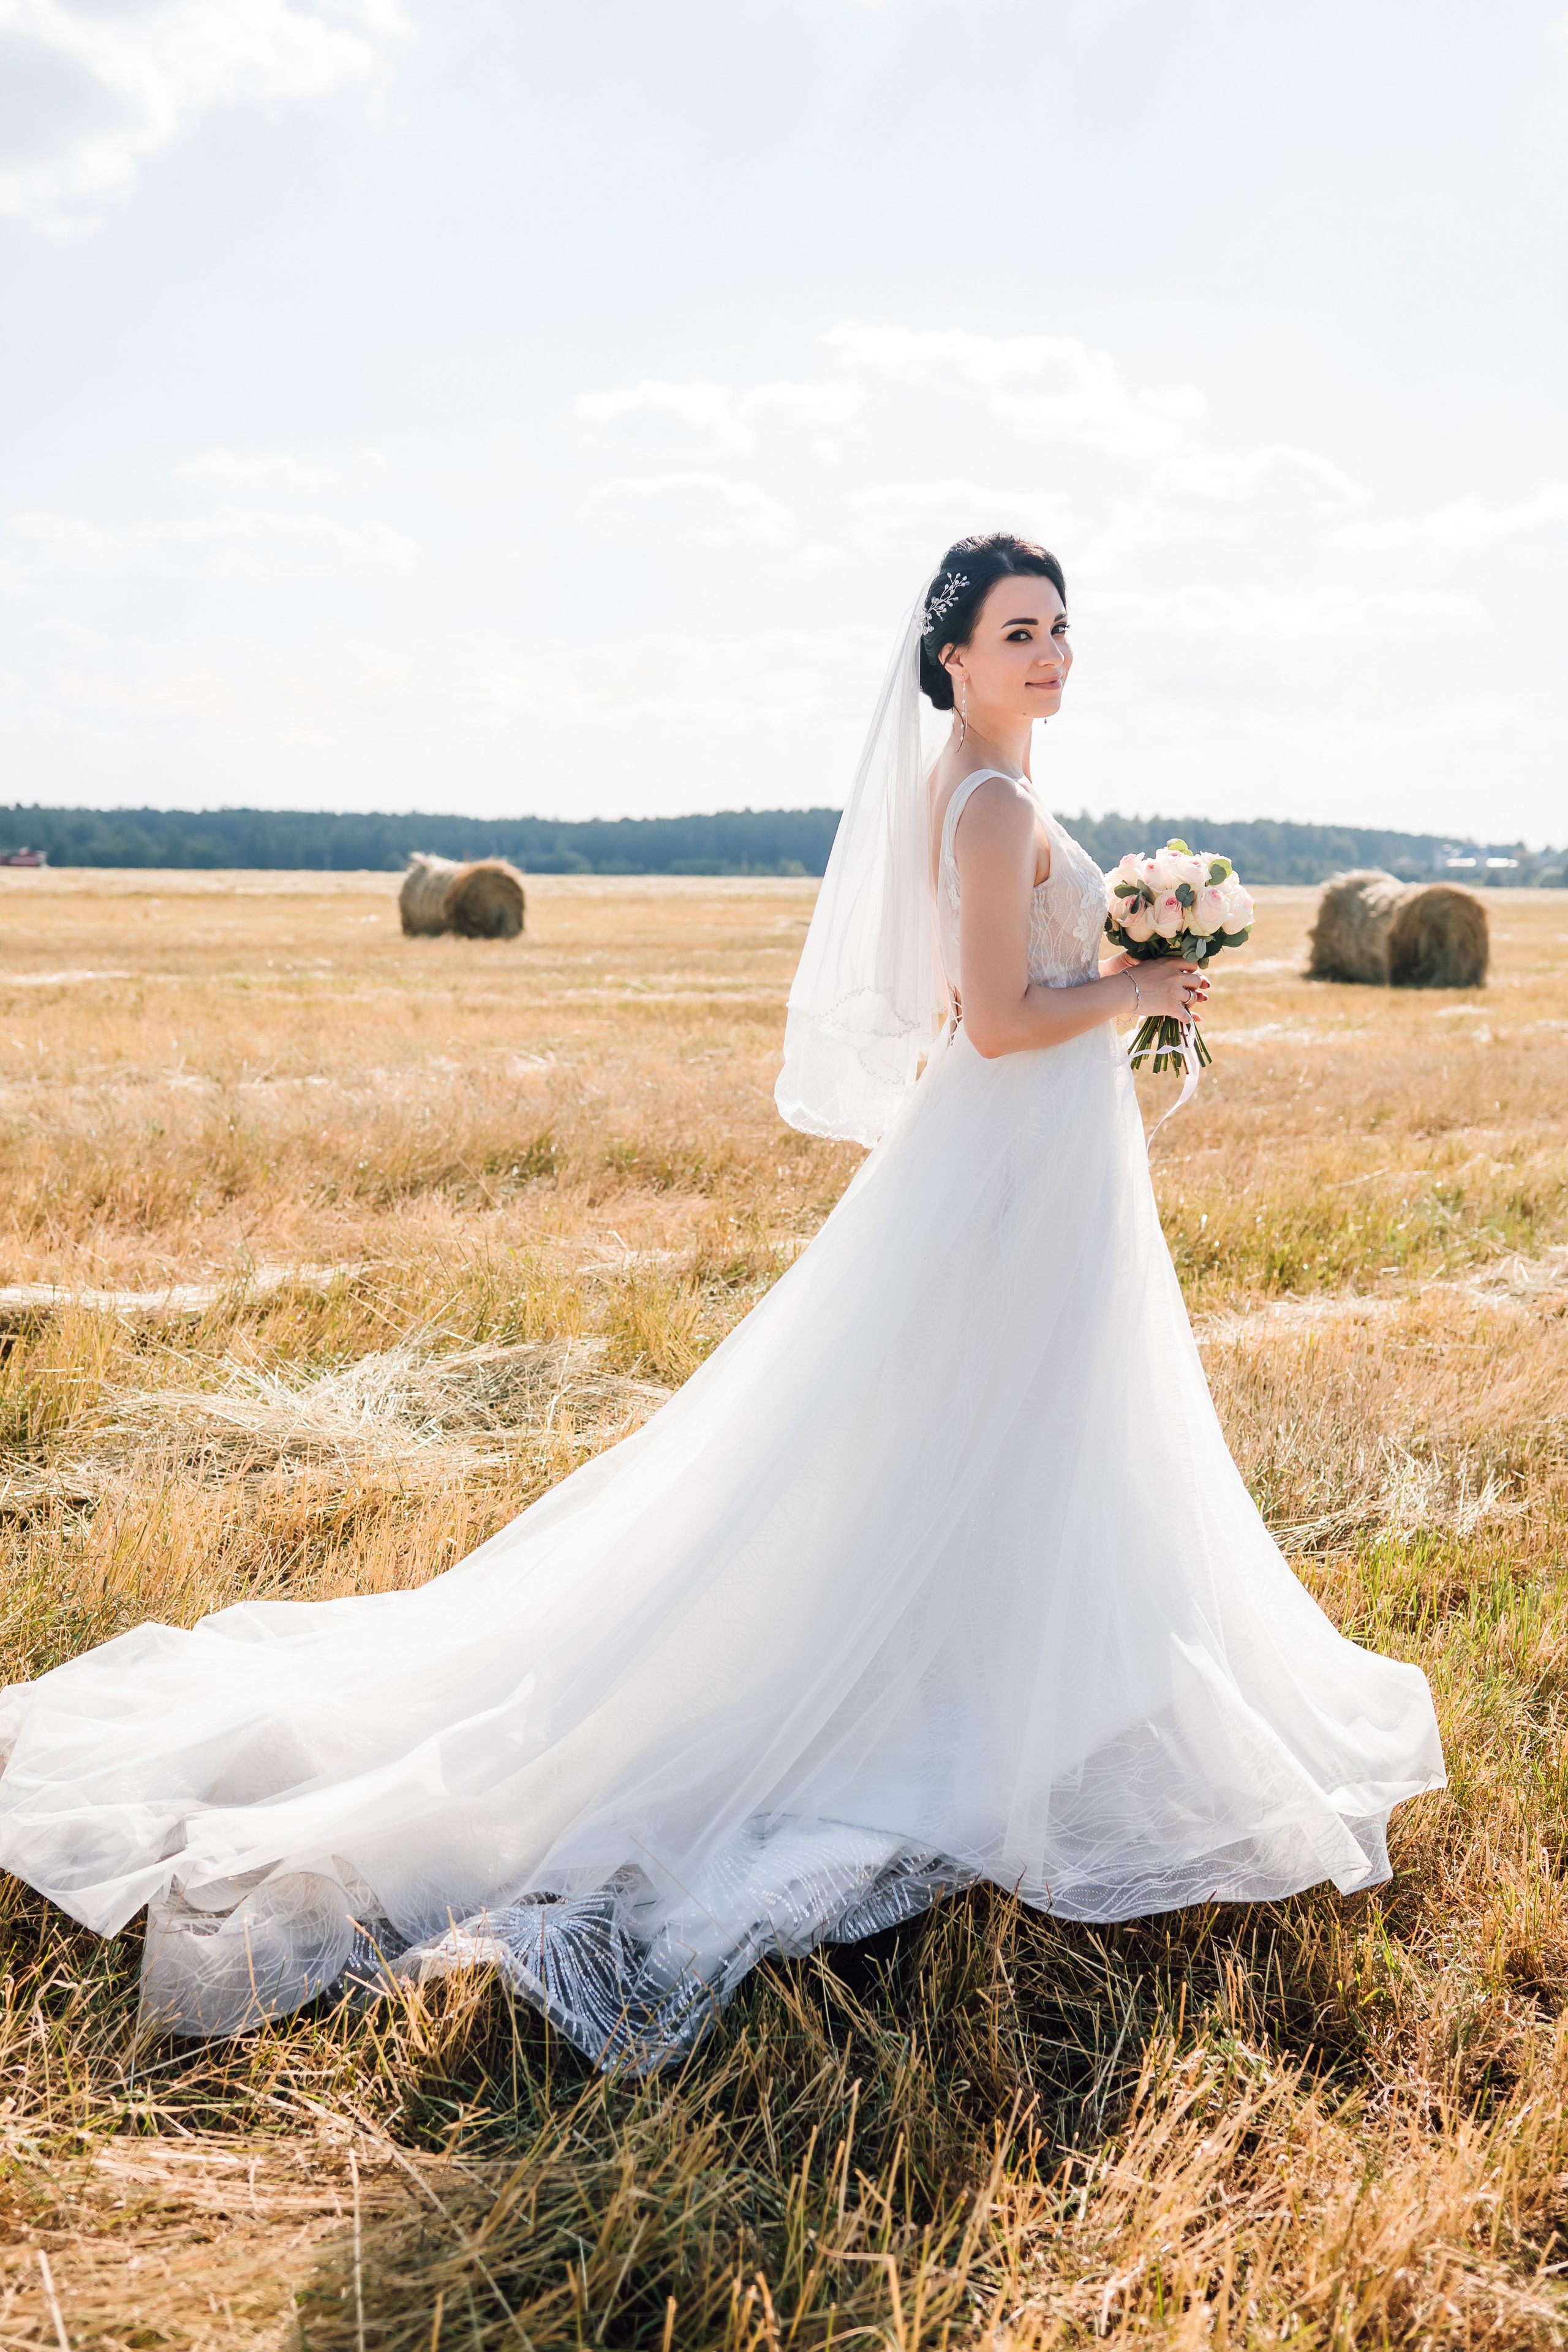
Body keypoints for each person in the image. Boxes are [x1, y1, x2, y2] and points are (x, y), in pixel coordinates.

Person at [0, 532, 1445, 2068]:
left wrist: (1123, 986)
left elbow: (978, 1002)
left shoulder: (965, 781)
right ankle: (988, 1703)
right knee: (1018, 1428)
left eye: (1063, 628)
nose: (1052, 654)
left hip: (1023, 1160)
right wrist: (1139, 989)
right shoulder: (994, 795)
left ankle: (1023, 1686)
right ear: (949, 653)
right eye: (1020, 631)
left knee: (1007, 1434)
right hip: (1015, 1152)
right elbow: (1009, 1019)